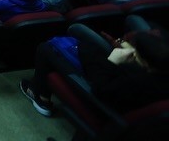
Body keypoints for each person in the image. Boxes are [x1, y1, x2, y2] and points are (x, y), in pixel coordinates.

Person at [20, 21, 169, 117]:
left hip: (99, 99)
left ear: (147, 63)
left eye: (137, 53)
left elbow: (101, 87)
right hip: (112, 84)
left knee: (45, 49)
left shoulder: (135, 81)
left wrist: (112, 61)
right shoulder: (159, 76)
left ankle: (40, 97)